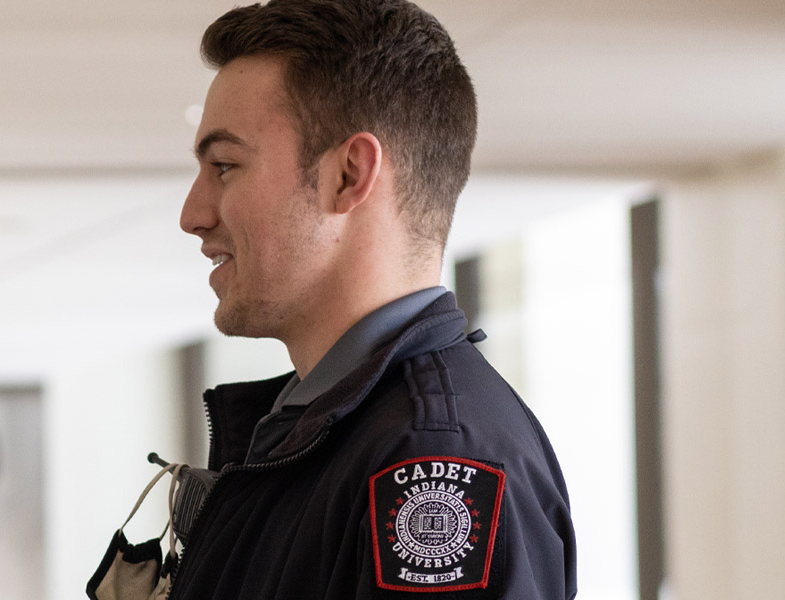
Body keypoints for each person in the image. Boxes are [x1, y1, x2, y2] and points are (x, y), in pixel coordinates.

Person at [170, 0, 575, 597]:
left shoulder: (429, 463)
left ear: (349, 175)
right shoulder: (321, 437)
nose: (193, 215)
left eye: (226, 166)